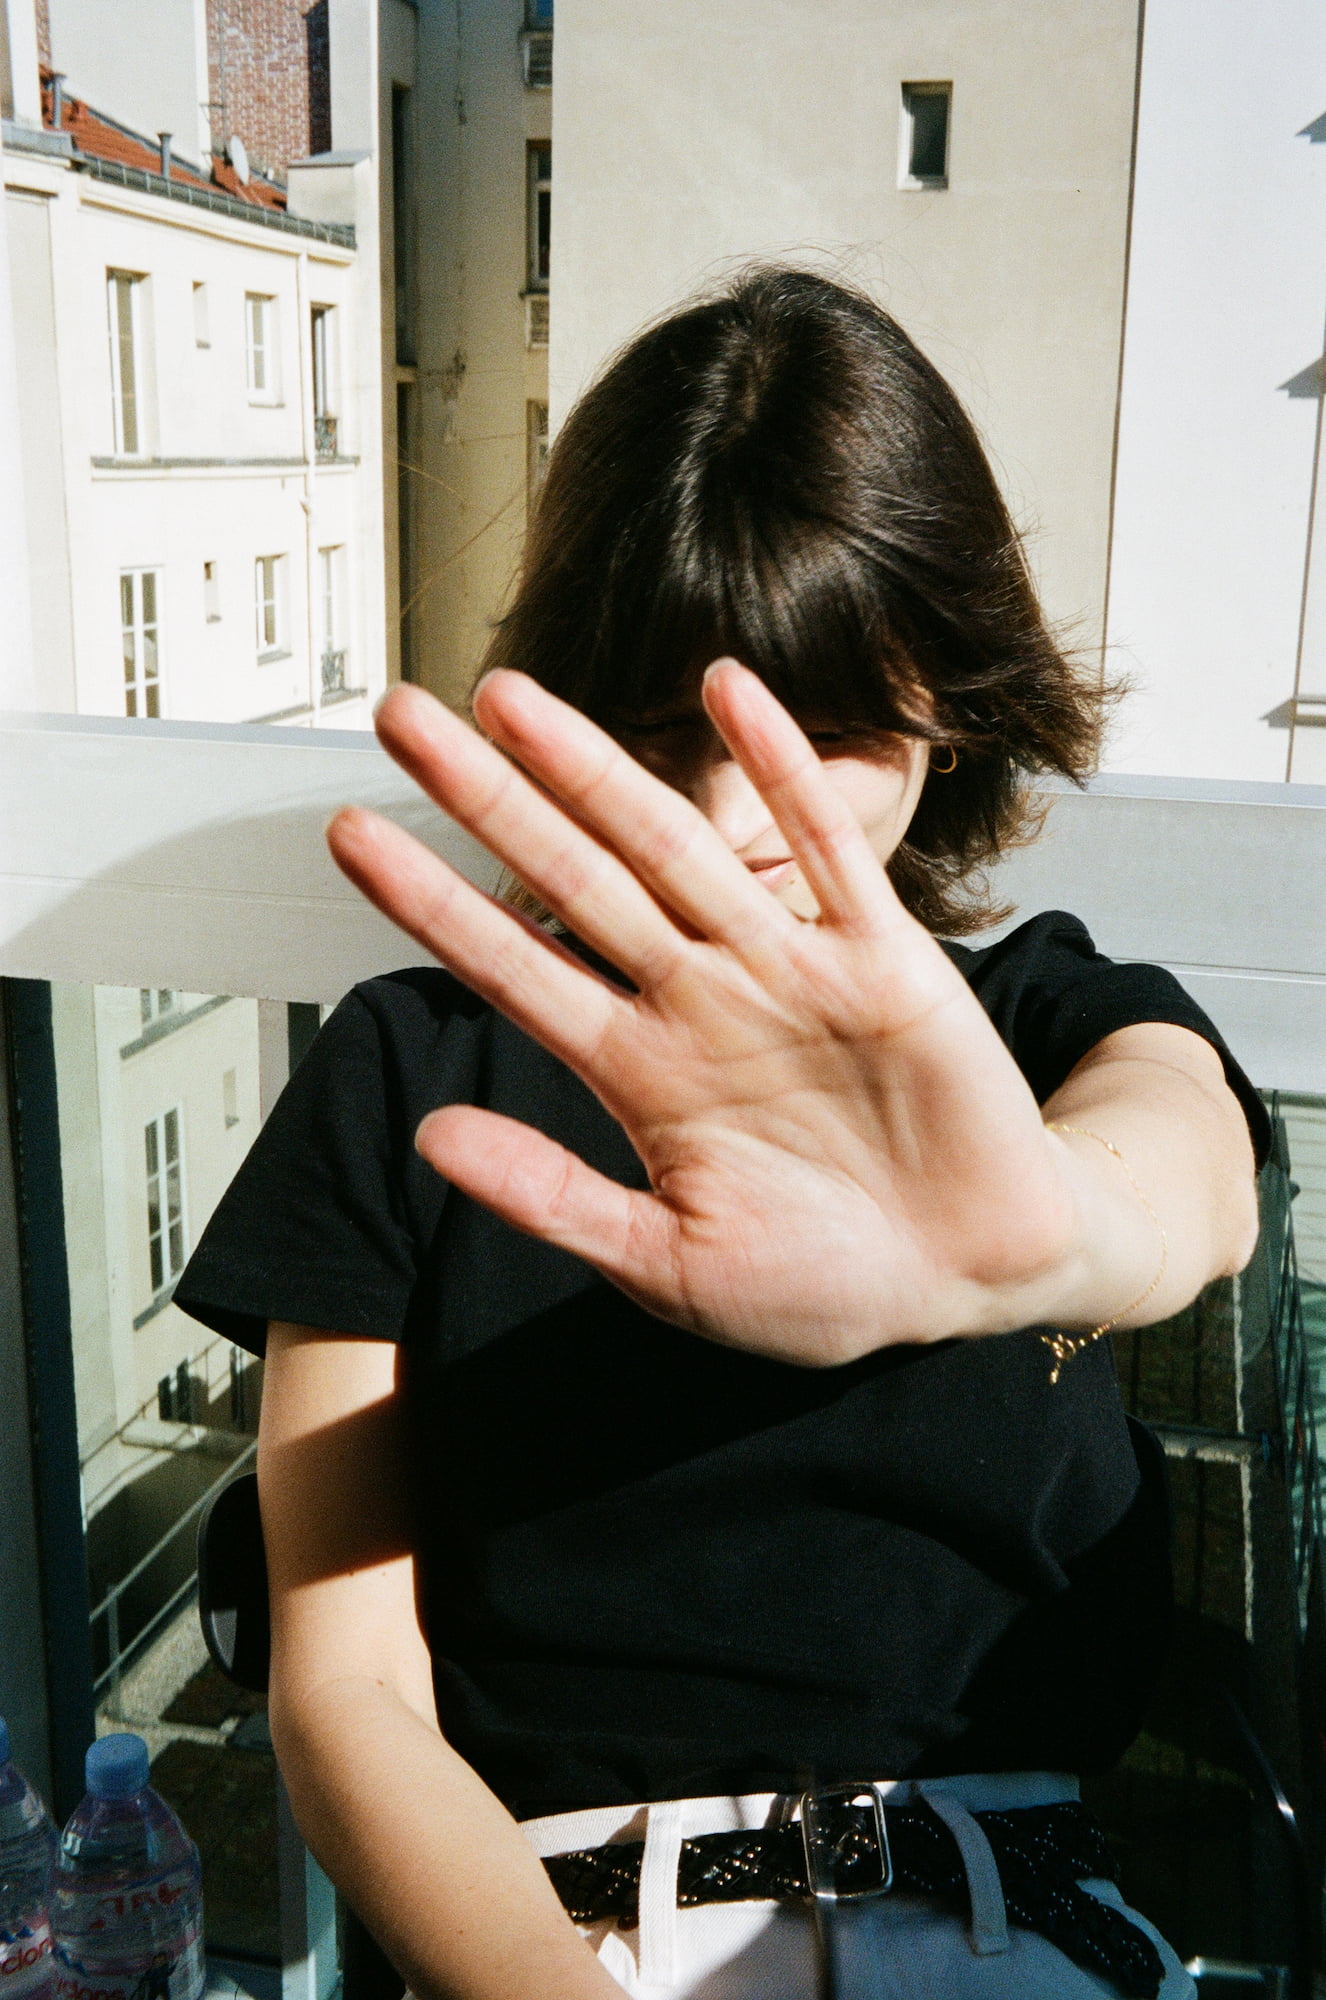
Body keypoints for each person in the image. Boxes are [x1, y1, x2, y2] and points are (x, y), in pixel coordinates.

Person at [176, 268, 1266, 2000]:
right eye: (665, 731)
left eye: (824, 730)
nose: (728, 816)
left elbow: (1185, 1178)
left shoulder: (1040, 1020)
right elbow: (346, 1691)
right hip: (558, 1939)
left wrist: (1020, 1242)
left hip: (1016, 1926)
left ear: (953, 703)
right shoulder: (414, 1071)